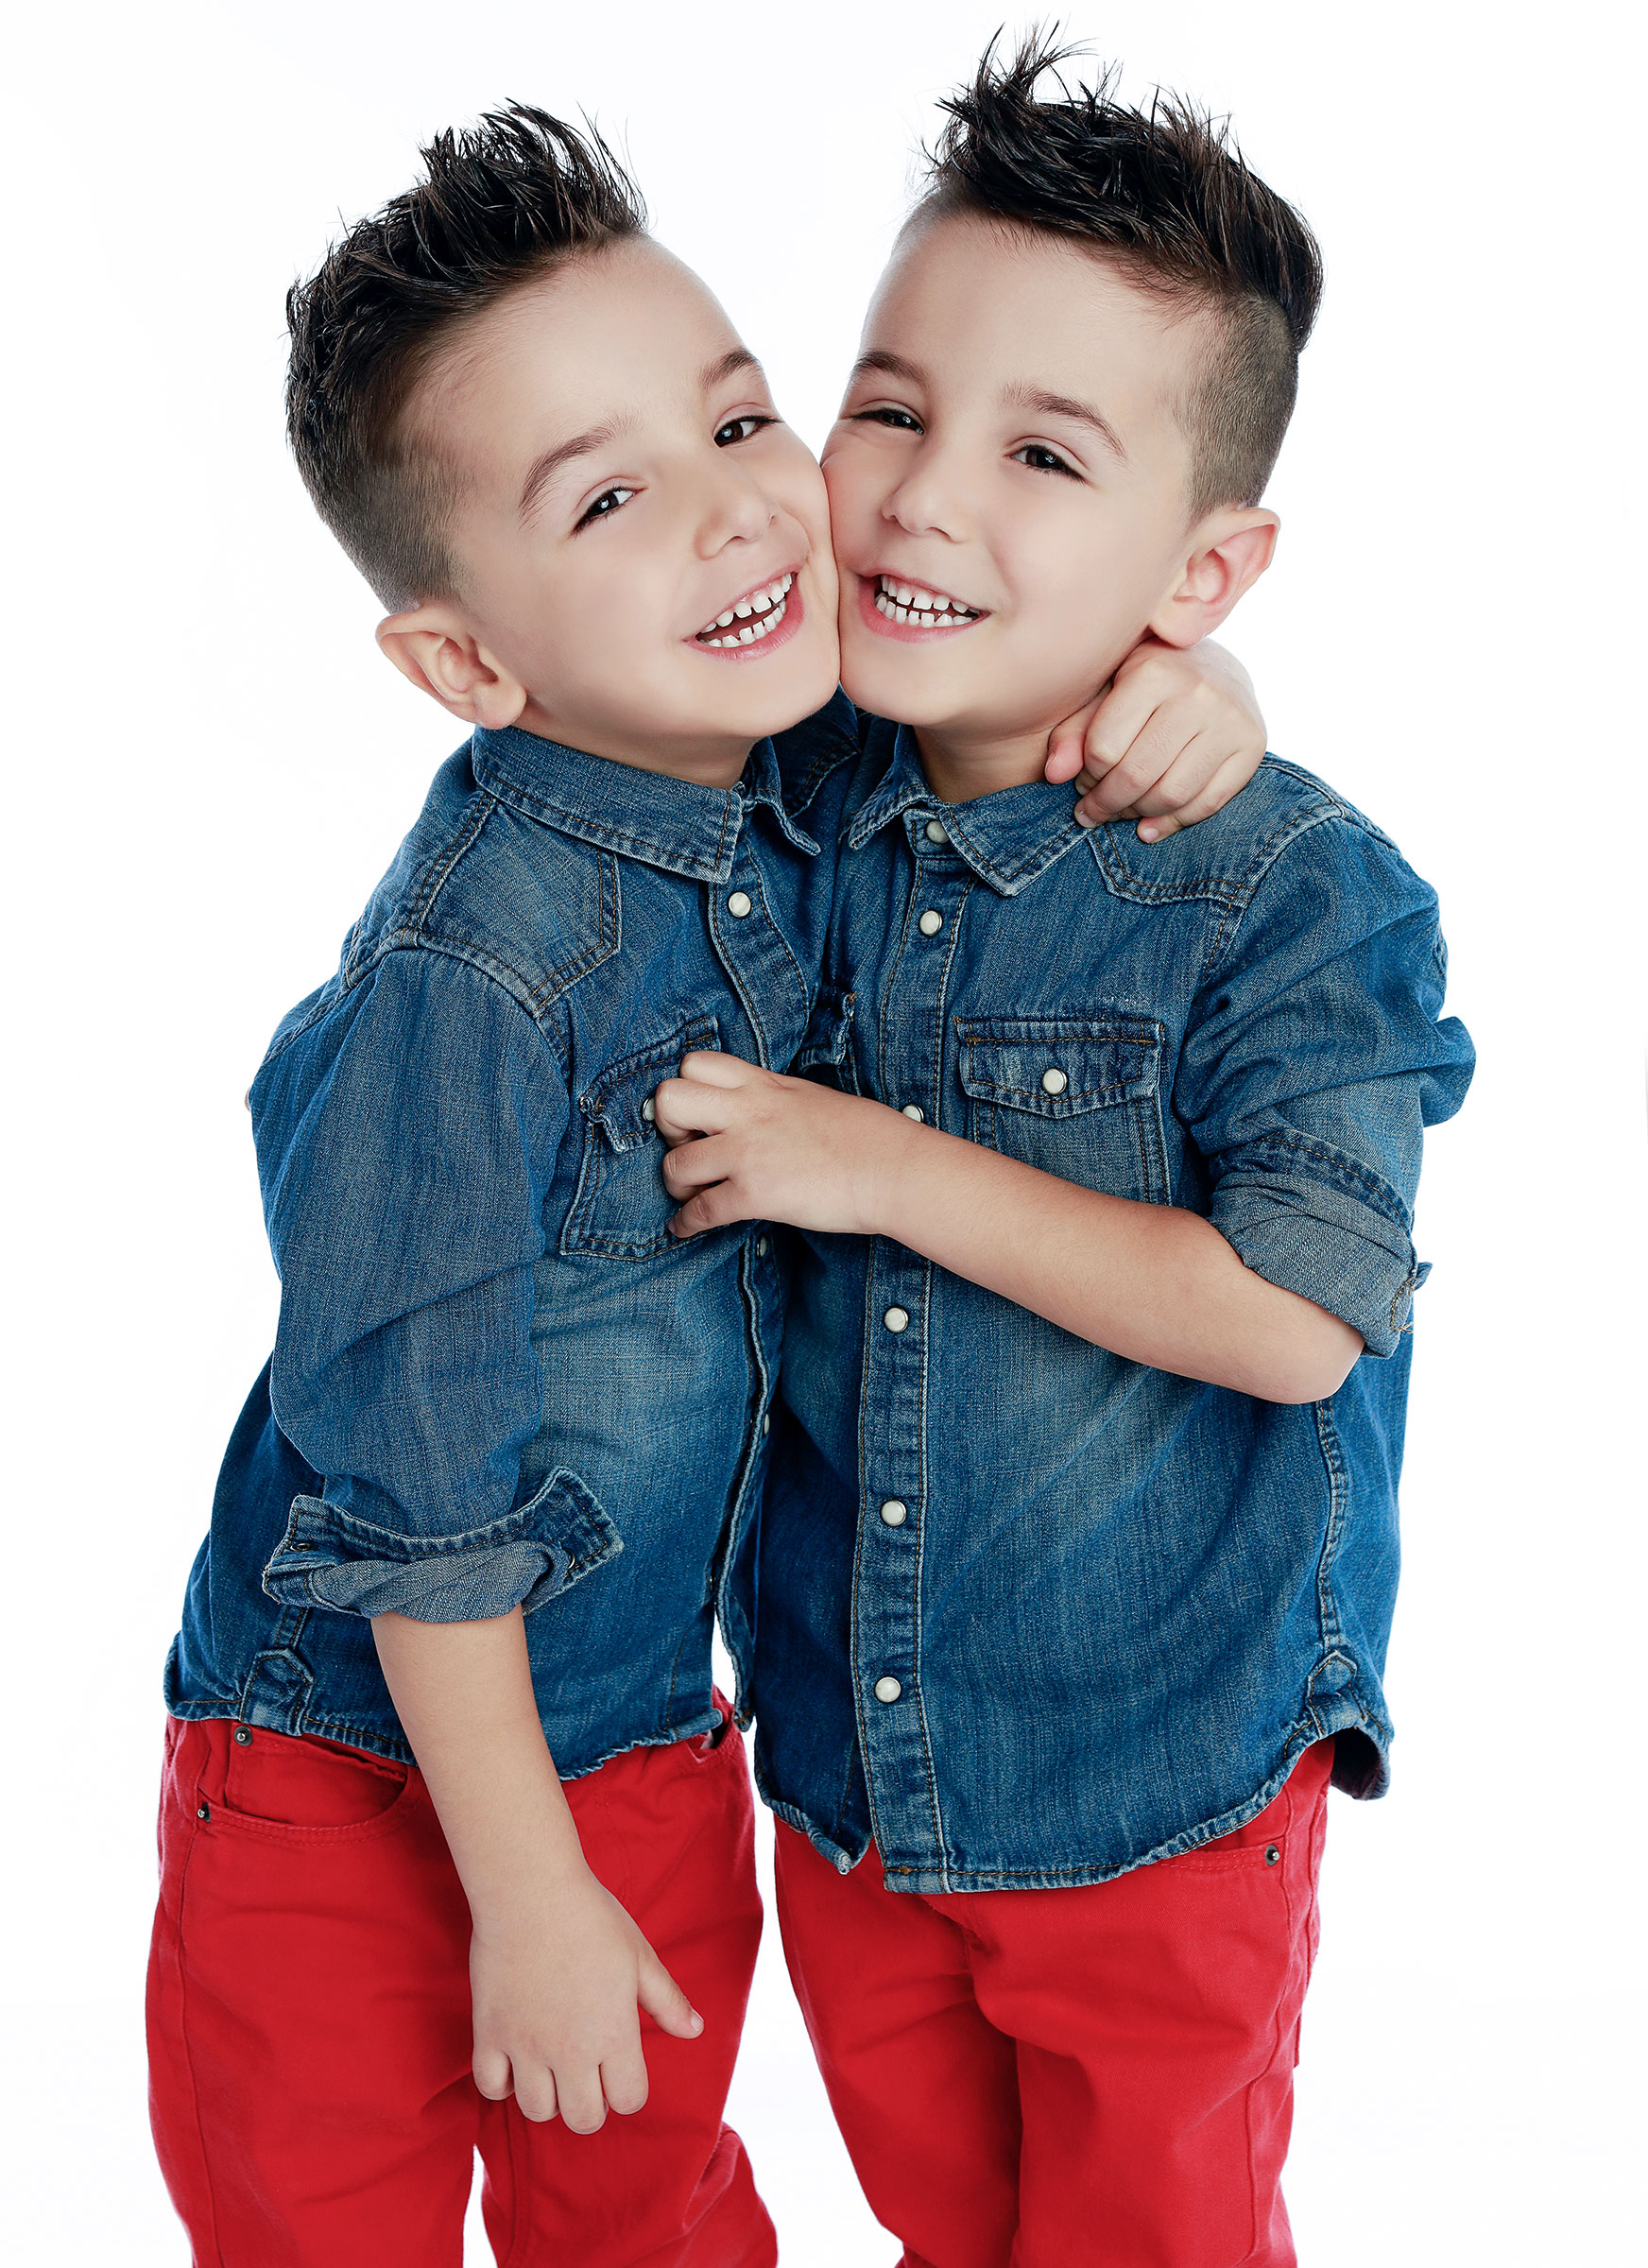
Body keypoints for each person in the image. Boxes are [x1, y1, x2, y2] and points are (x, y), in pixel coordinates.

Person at [145, 98, 1266, 2268]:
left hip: (638, 1734)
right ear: (468, 666)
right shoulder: (466, 984)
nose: (737, 508)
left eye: (740, 418)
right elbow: (413, 1489)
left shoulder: (792, 784)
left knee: (644, 2213)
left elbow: (1008, 683)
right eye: (608, 496)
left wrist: (1186, 673)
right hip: (348, 1776)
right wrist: (525, 1890)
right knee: (320, 2219)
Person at [657, 40, 1476, 2268]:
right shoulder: (786, 783)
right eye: (887, 407)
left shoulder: (1285, 891)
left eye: (1040, 452)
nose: (921, 500)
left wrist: (878, 1167)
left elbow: (1291, 1319)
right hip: (850, 1763)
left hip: (1153, 1782)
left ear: (1202, 565)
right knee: (946, 2225)